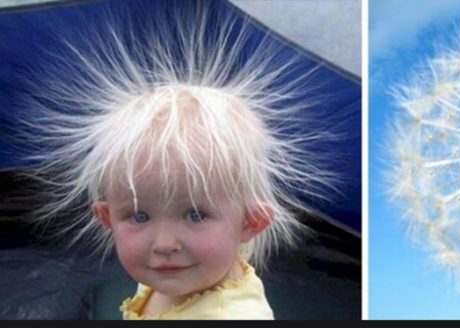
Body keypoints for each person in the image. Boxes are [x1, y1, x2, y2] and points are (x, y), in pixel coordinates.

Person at [19, 0, 335, 320]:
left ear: (250, 222)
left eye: (196, 214)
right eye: (139, 216)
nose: (164, 243)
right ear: (107, 217)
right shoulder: (179, 276)